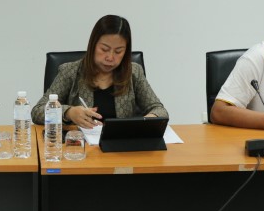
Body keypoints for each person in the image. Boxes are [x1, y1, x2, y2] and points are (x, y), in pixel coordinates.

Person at [31, 15, 168, 128]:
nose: (110, 57)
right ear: (93, 45)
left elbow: (160, 110)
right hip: (80, 147)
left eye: (118, 51)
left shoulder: (133, 72)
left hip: (121, 147)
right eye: (104, 49)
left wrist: (146, 121)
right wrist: (68, 112)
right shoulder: (70, 72)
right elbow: (38, 111)